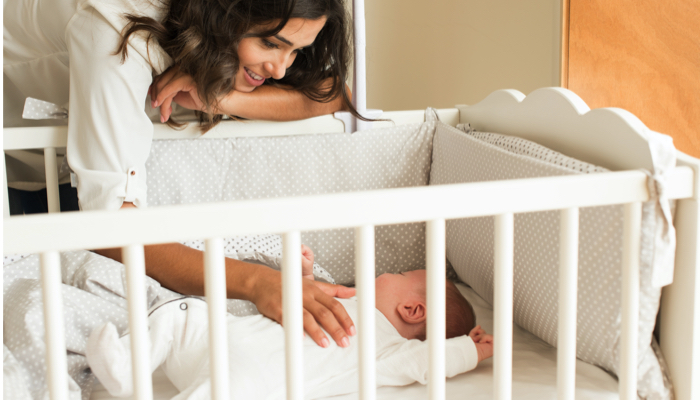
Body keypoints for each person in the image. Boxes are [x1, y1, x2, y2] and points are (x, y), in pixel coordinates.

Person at [4, 0, 361, 348]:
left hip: (70, 166)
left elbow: (337, 94)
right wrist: (259, 282)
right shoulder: (115, 27)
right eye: (270, 43)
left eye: (297, 50)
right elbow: (112, 228)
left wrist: (220, 98)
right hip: (17, 162)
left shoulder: (229, 42)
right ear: (224, 13)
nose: (281, 69)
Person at [86, 269, 494, 399]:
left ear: (412, 310)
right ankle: (128, 365)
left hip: (254, 379)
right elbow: (292, 300)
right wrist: (303, 276)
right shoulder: (347, 297)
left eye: (402, 275)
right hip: (224, 336)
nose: (386, 271)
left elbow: (422, 363)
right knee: (183, 313)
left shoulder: (386, 348)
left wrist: (466, 352)